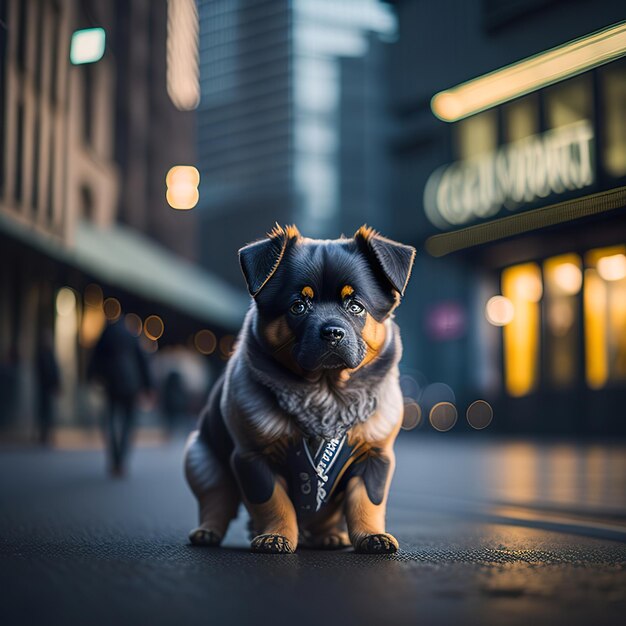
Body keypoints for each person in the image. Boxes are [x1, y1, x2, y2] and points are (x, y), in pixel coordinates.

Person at [88, 319, 153, 477]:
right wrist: (149, 386)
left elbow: (96, 356)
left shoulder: (107, 333)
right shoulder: (131, 334)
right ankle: (121, 461)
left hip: (112, 383)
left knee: (110, 421)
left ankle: (114, 458)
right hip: (131, 383)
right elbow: (142, 360)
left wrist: (91, 376)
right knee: (128, 424)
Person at [35, 331, 60, 446]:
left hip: (49, 387)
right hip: (43, 387)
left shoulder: (50, 354)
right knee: (43, 411)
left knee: (49, 411)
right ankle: (43, 434)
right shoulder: (41, 355)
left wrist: (56, 384)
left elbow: (55, 371)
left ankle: (47, 433)